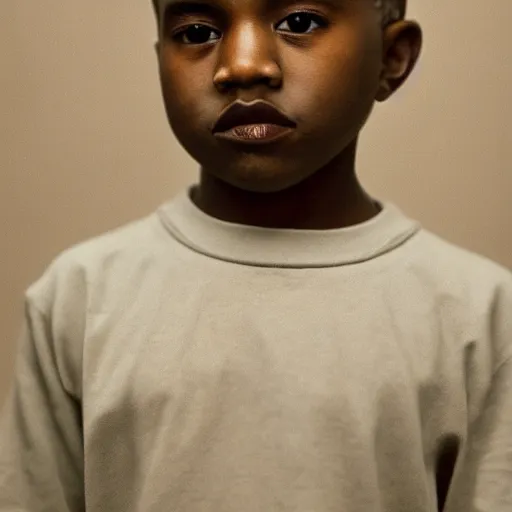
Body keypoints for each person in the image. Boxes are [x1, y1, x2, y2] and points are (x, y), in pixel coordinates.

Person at [1, 0, 511, 510]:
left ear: (391, 56)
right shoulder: (79, 298)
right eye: (197, 31)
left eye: (300, 23)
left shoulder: (480, 316)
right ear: (160, 57)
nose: (243, 65)